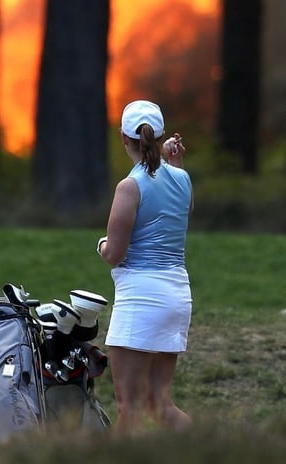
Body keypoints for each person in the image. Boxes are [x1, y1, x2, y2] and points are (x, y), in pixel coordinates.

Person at [96, 100, 192, 435]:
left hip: (141, 296)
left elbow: (114, 253)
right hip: (177, 295)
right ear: (160, 134)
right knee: (158, 403)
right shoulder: (182, 178)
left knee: (128, 408)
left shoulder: (129, 186)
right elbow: (180, 207)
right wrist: (175, 162)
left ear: (124, 138)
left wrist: (101, 245)